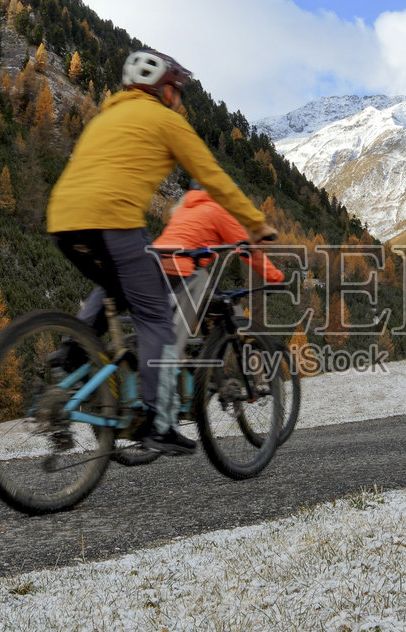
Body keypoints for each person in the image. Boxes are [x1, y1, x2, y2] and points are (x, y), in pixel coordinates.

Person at [47, 49, 275, 455]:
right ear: (165, 89)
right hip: (115, 220)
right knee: (157, 321)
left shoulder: (104, 118)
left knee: (113, 286)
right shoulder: (167, 121)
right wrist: (256, 225)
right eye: (179, 91)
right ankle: (157, 420)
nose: (180, 99)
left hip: (64, 221)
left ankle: (72, 352)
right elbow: (215, 178)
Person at [149, 187, 286, 433]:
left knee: (179, 324)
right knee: (231, 311)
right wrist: (275, 277)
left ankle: (203, 371)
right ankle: (245, 370)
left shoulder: (182, 211)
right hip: (185, 272)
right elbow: (248, 251)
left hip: (153, 269)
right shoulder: (218, 210)